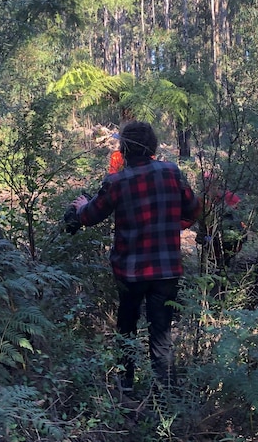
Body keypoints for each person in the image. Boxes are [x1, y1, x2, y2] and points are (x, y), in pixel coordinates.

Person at [72, 121, 201, 390]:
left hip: (130, 272)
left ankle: (126, 386)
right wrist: (170, 225)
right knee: (161, 331)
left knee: (127, 327)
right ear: (152, 145)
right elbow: (192, 209)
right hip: (167, 270)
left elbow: (89, 216)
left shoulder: (116, 181)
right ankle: (167, 394)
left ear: (125, 148)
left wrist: (81, 205)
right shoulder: (171, 172)